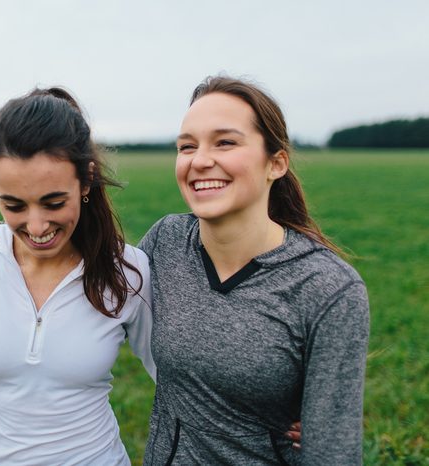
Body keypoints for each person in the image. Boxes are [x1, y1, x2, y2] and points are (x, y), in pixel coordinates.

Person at [139, 76, 369, 465]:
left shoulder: (329, 289)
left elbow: (332, 452)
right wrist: (3, 246)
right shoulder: (166, 242)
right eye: (186, 146)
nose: (199, 160)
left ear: (276, 163)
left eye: (225, 142)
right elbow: (85, 280)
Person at [0, 87, 156, 465]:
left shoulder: (127, 270)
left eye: (54, 203)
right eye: (14, 205)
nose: (37, 226)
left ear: (86, 181)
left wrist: (277, 418)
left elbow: (182, 378)